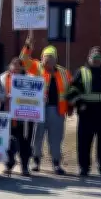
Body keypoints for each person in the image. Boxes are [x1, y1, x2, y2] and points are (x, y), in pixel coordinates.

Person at [19, 38, 73, 174]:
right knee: (37, 137)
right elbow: (23, 60)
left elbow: (70, 90)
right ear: (41, 58)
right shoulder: (36, 67)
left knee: (56, 138)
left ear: (56, 60)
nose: (47, 62)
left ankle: (56, 163)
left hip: (58, 110)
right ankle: (36, 161)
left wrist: (71, 105)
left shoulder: (64, 72)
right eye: (45, 58)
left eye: (50, 59)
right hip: (38, 110)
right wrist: (27, 46)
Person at [65, 46, 101, 177]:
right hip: (86, 113)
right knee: (84, 142)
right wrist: (79, 104)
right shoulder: (81, 72)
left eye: (99, 57)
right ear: (89, 58)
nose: (97, 60)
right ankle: (84, 167)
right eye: (94, 57)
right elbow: (71, 90)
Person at [0, 57, 36, 177]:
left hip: (24, 118)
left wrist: (40, 99)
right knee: (8, 141)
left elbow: (37, 94)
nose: (15, 67)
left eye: (18, 65)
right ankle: (8, 165)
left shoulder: (31, 79)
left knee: (25, 142)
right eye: (13, 65)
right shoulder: (3, 78)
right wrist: (4, 97)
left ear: (22, 67)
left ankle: (25, 166)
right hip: (7, 115)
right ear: (9, 66)